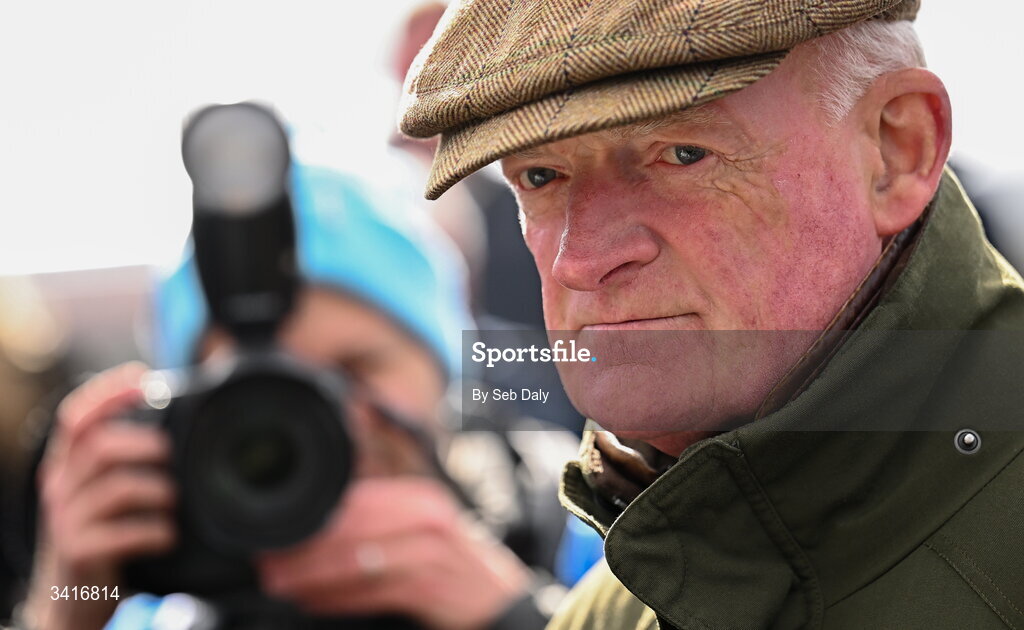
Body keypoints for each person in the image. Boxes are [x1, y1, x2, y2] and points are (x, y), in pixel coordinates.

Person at [397, 1, 1024, 628]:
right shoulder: (616, 609)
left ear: (897, 149)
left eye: (683, 154)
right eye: (539, 175)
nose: (580, 260)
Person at [11, 163, 574, 630]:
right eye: (254, 382)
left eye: (354, 369)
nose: (311, 411)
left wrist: (516, 615)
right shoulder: (152, 608)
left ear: (445, 373)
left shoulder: (591, 538)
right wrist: (65, 605)